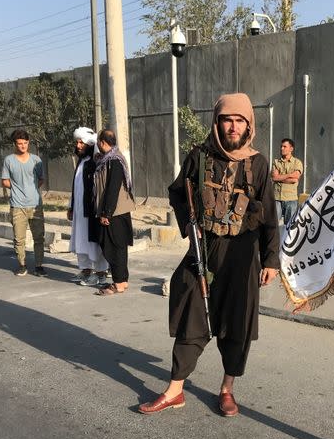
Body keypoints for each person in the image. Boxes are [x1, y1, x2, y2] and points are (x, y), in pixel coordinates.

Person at [139, 93, 280, 416]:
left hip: (243, 254)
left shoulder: (258, 163)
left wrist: (271, 260)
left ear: (249, 125)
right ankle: (175, 389)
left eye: (239, 121)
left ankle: (227, 388)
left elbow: (270, 216)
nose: (233, 127)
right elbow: (177, 193)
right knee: (191, 314)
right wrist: (189, 227)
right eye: (227, 120)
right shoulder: (199, 156)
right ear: (217, 122)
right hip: (204, 248)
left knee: (236, 323)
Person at [93, 129, 135, 296]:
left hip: (114, 212)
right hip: (116, 211)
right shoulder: (109, 159)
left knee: (113, 246)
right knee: (119, 246)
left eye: (98, 142)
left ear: (102, 142)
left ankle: (118, 283)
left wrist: (106, 213)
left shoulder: (114, 160)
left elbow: (113, 188)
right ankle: (122, 281)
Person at [1, 129, 46, 277]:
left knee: (39, 237)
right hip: (17, 205)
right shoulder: (9, 160)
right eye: (20, 143)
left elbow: (41, 179)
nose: (23, 146)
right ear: (15, 144)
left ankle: (39, 265)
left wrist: (30, 190)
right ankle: (22, 265)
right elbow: (5, 181)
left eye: (25, 143)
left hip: (35, 205)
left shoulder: (36, 160)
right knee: (19, 238)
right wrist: (17, 189)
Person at [67, 126, 109, 286]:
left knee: (94, 243)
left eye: (81, 143)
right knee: (80, 241)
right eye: (77, 142)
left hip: (91, 212)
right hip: (79, 212)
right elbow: (76, 187)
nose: (78, 146)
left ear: (89, 145)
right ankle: (85, 271)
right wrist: (71, 207)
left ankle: (101, 274)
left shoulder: (95, 162)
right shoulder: (81, 162)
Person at [271, 137, 303, 228]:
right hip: (277, 198)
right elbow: (274, 177)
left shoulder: (297, 163)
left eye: (284, 146)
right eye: (281, 146)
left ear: (291, 149)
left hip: (291, 199)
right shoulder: (276, 162)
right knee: (273, 226)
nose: (282, 148)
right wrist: (289, 175)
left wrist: (279, 177)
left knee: (290, 226)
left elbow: (296, 178)